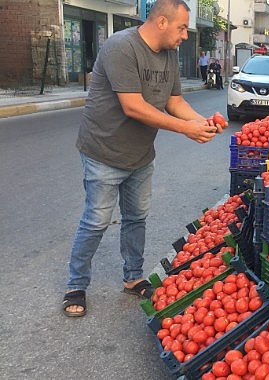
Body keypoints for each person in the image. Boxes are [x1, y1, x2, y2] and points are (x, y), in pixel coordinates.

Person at [62, 0, 226, 318]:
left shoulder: (170, 54)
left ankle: (132, 277)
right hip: (104, 153)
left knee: (136, 218)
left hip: (140, 155)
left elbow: (174, 101)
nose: (184, 36)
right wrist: (185, 130)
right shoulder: (121, 47)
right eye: (181, 28)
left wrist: (201, 122)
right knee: (96, 221)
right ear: (161, 22)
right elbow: (133, 107)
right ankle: (75, 284)